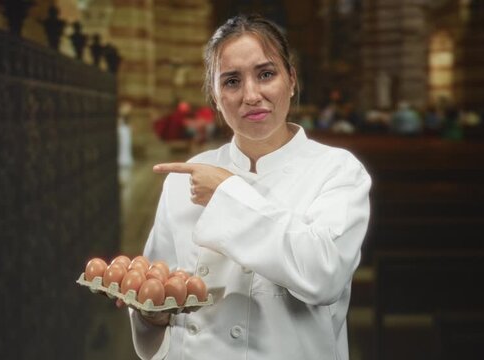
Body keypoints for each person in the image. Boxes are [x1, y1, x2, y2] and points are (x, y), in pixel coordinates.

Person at [124, 14, 372, 360]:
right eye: (231, 81)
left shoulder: (337, 171)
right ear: (215, 94)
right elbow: (155, 282)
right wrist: (151, 313)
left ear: (292, 80)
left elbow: (323, 274)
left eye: (266, 74)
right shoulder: (184, 178)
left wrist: (226, 192)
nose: (251, 95)